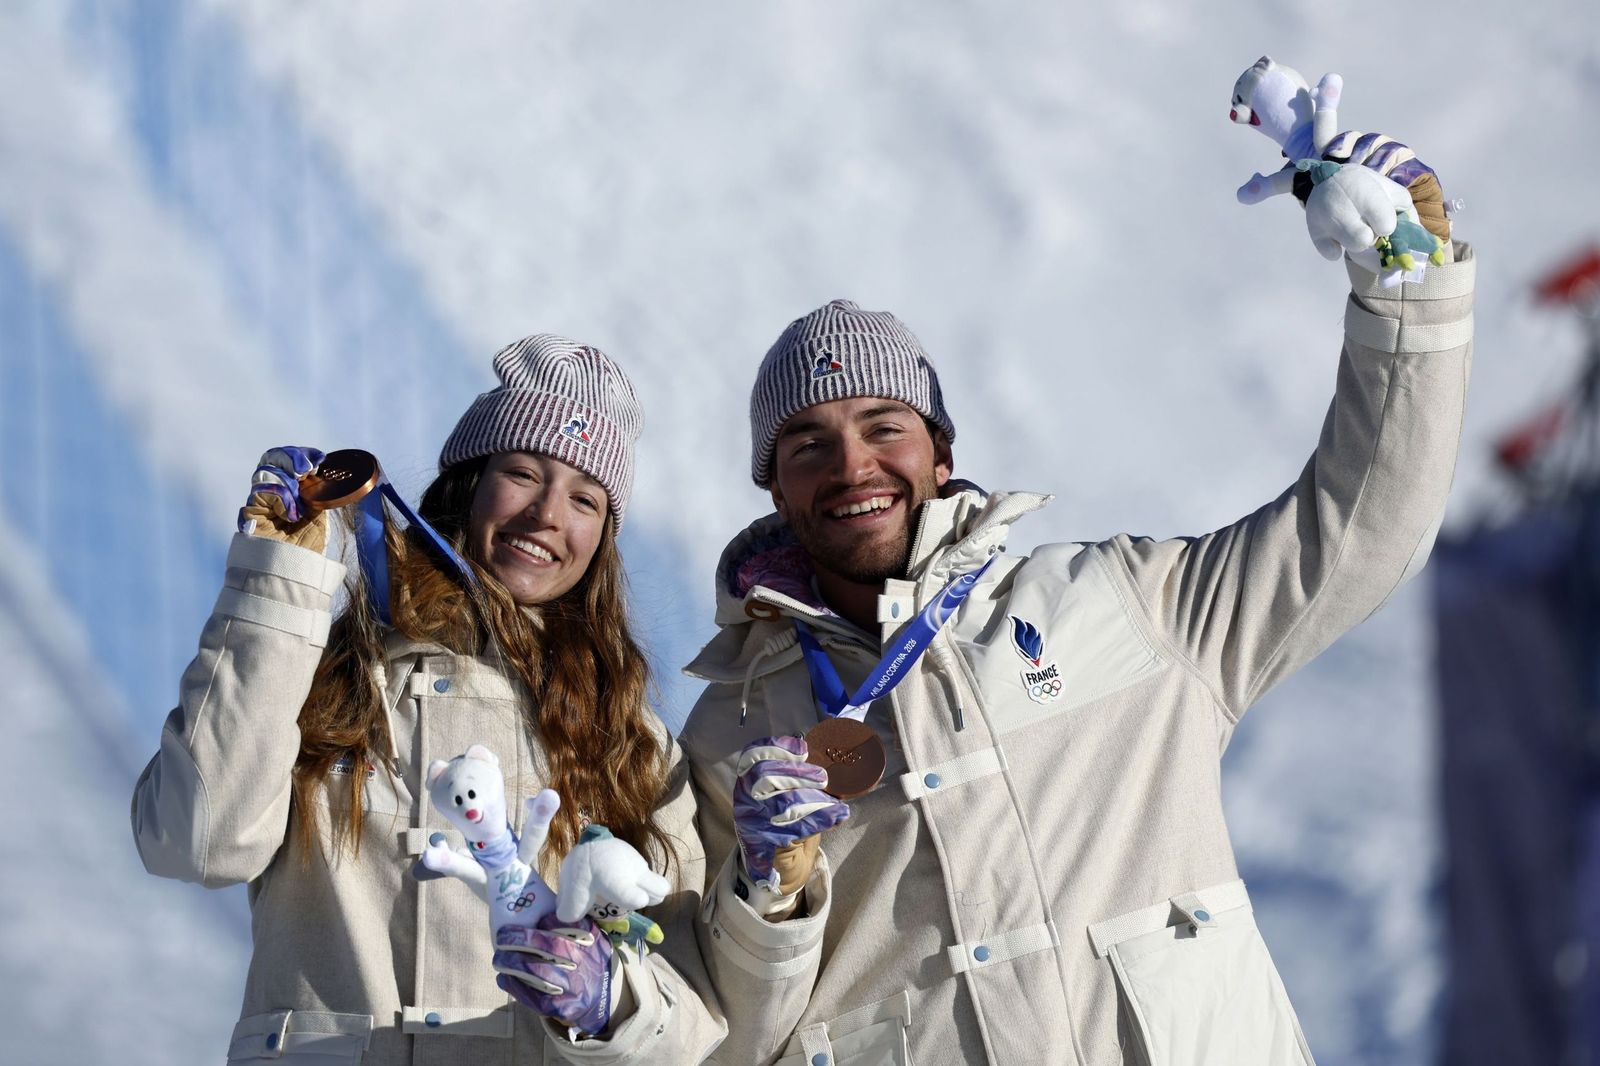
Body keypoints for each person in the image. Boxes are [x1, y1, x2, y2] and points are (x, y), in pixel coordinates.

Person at [679, 160, 1475, 1062]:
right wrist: (766, 899)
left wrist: (1405, 282)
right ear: (775, 492)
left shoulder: (1121, 605)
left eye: (883, 426)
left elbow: (1361, 526)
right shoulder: (725, 733)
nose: (852, 466)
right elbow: (722, 1036)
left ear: (941, 457)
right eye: (809, 444)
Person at [132, 336, 726, 1064]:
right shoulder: (323, 677)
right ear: (468, 484)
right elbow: (195, 841)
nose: (546, 514)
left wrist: (612, 1004)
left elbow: (695, 1009)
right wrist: (276, 580)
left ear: (601, 540)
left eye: (584, 499)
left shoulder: (631, 744)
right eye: (521, 473)